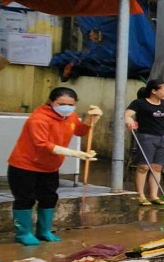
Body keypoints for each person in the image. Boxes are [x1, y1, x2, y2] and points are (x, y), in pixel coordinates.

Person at [7, 86, 100, 245]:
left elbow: (79, 130)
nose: (67, 107)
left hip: (50, 167)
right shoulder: (39, 118)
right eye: (62, 103)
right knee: (25, 199)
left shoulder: (70, 116)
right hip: (25, 166)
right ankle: (23, 233)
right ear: (51, 102)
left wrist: (91, 120)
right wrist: (75, 153)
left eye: (71, 105)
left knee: (49, 198)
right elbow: (42, 144)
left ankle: (44, 231)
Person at [125, 78, 164, 206]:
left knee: (157, 167)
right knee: (143, 167)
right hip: (146, 137)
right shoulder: (139, 103)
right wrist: (128, 119)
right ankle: (140, 195)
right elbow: (127, 114)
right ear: (154, 91)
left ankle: (153, 195)